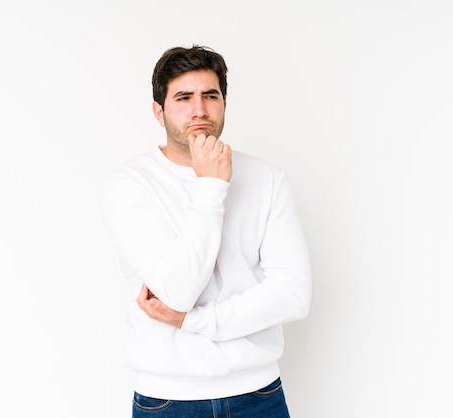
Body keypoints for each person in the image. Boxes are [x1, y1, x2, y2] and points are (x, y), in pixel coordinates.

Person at [100, 45, 312, 417]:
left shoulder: (268, 179)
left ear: (224, 103)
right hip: (167, 401)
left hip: (258, 395)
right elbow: (177, 291)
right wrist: (212, 186)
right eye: (183, 97)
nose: (199, 110)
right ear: (158, 111)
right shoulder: (128, 184)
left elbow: (294, 295)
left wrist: (191, 321)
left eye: (210, 95)